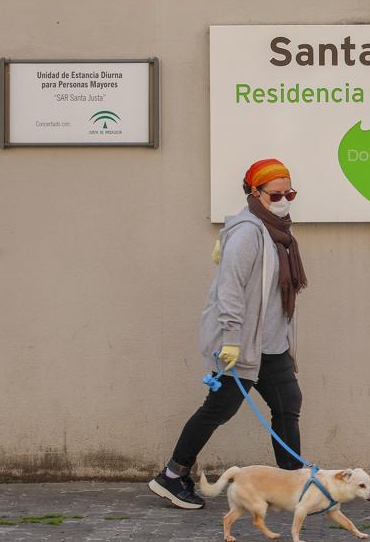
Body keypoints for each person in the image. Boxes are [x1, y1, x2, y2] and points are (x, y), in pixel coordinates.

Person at [149, 158, 308, 509]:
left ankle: (293, 482)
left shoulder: (278, 232)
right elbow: (230, 290)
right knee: (217, 410)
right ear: (255, 193)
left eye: (290, 192)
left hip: (271, 344)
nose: (284, 199)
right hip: (244, 346)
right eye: (276, 194)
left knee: (287, 405)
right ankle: (173, 476)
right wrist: (232, 340)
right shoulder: (249, 232)